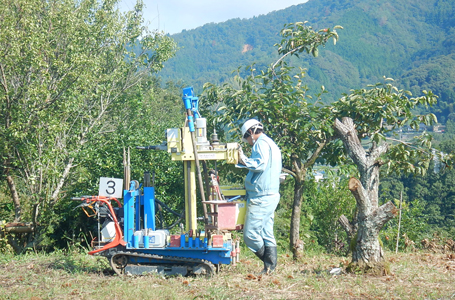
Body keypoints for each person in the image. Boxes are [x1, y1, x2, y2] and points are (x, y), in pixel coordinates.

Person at [237, 119, 282, 275]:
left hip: (261, 196)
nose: (248, 143)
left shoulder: (260, 144)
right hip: (269, 194)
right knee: (266, 233)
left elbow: (260, 164)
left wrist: (243, 159)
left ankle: (269, 264)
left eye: (247, 138)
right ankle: (269, 269)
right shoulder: (271, 144)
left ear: (250, 132)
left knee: (250, 235)